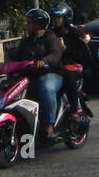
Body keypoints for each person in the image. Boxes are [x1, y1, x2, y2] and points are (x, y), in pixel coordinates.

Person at [12, 8, 65, 138]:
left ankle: (49, 126)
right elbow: (17, 57)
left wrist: (44, 61)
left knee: (45, 88)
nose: (27, 25)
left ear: (37, 24)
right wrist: (2, 67)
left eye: (29, 22)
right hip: (31, 77)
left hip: (51, 74)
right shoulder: (26, 41)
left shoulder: (51, 38)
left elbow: (56, 54)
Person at [49, 3, 91, 119]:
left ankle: (74, 109)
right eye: (54, 18)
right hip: (53, 66)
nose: (55, 20)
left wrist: (67, 50)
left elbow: (83, 54)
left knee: (68, 76)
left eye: (58, 18)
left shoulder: (74, 33)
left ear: (65, 18)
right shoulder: (49, 33)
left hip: (71, 66)